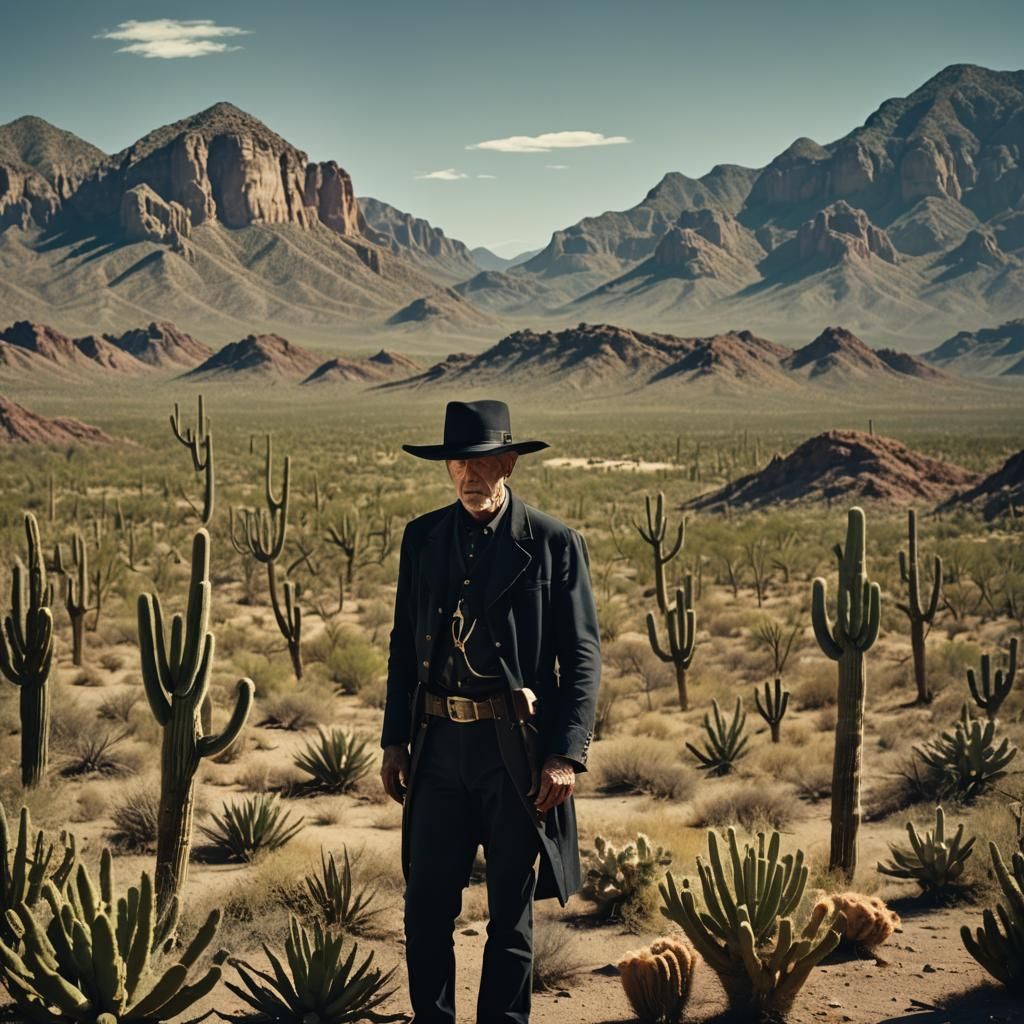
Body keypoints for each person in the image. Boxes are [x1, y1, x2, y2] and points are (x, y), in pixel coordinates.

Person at [380, 398, 601, 1024]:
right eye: (458, 463)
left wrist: (565, 754)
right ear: (447, 467)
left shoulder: (555, 544)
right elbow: (402, 644)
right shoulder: (422, 538)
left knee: (510, 910)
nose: (469, 476)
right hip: (438, 745)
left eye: (481, 462)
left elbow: (583, 656)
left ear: (508, 463)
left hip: (515, 753)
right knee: (425, 907)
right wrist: (394, 740)